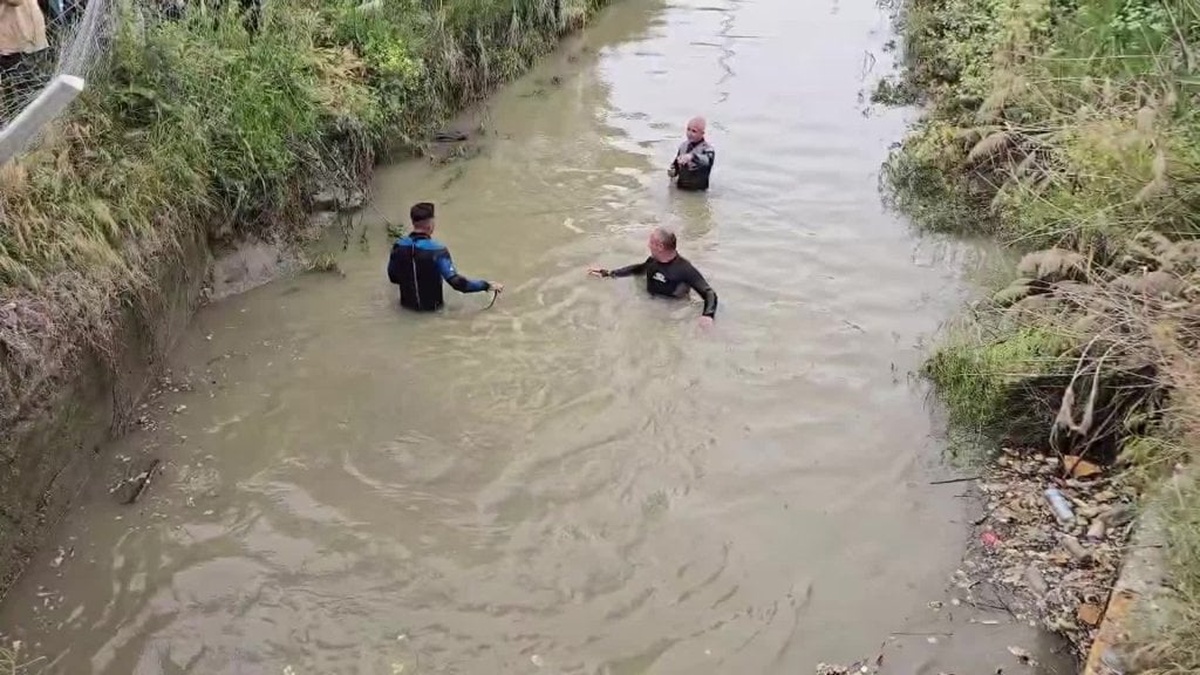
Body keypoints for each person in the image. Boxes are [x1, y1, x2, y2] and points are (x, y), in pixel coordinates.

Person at [387, 202, 502, 312]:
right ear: (430, 224)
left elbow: (393, 277)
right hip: (433, 313)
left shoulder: (398, 246)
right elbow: (457, 283)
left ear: (413, 222)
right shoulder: (437, 250)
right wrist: (486, 285)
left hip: (406, 309)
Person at [589, 227, 717, 326]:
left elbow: (709, 293)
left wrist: (707, 316)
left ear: (660, 246)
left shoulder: (685, 269)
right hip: (650, 306)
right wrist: (609, 273)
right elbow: (637, 269)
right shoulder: (652, 261)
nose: (648, 245)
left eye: (650, 242)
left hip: (674, 314)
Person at [667, 116, 715, 191]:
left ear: (702, 133)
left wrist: (692, 157)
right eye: (688, 129)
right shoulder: (683, 146)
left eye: (694, 131)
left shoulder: (708, 149)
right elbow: (675, 165)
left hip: (698, 192)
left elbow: (707, 161)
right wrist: (673, 170)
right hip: (681, 188)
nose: (690, 133)